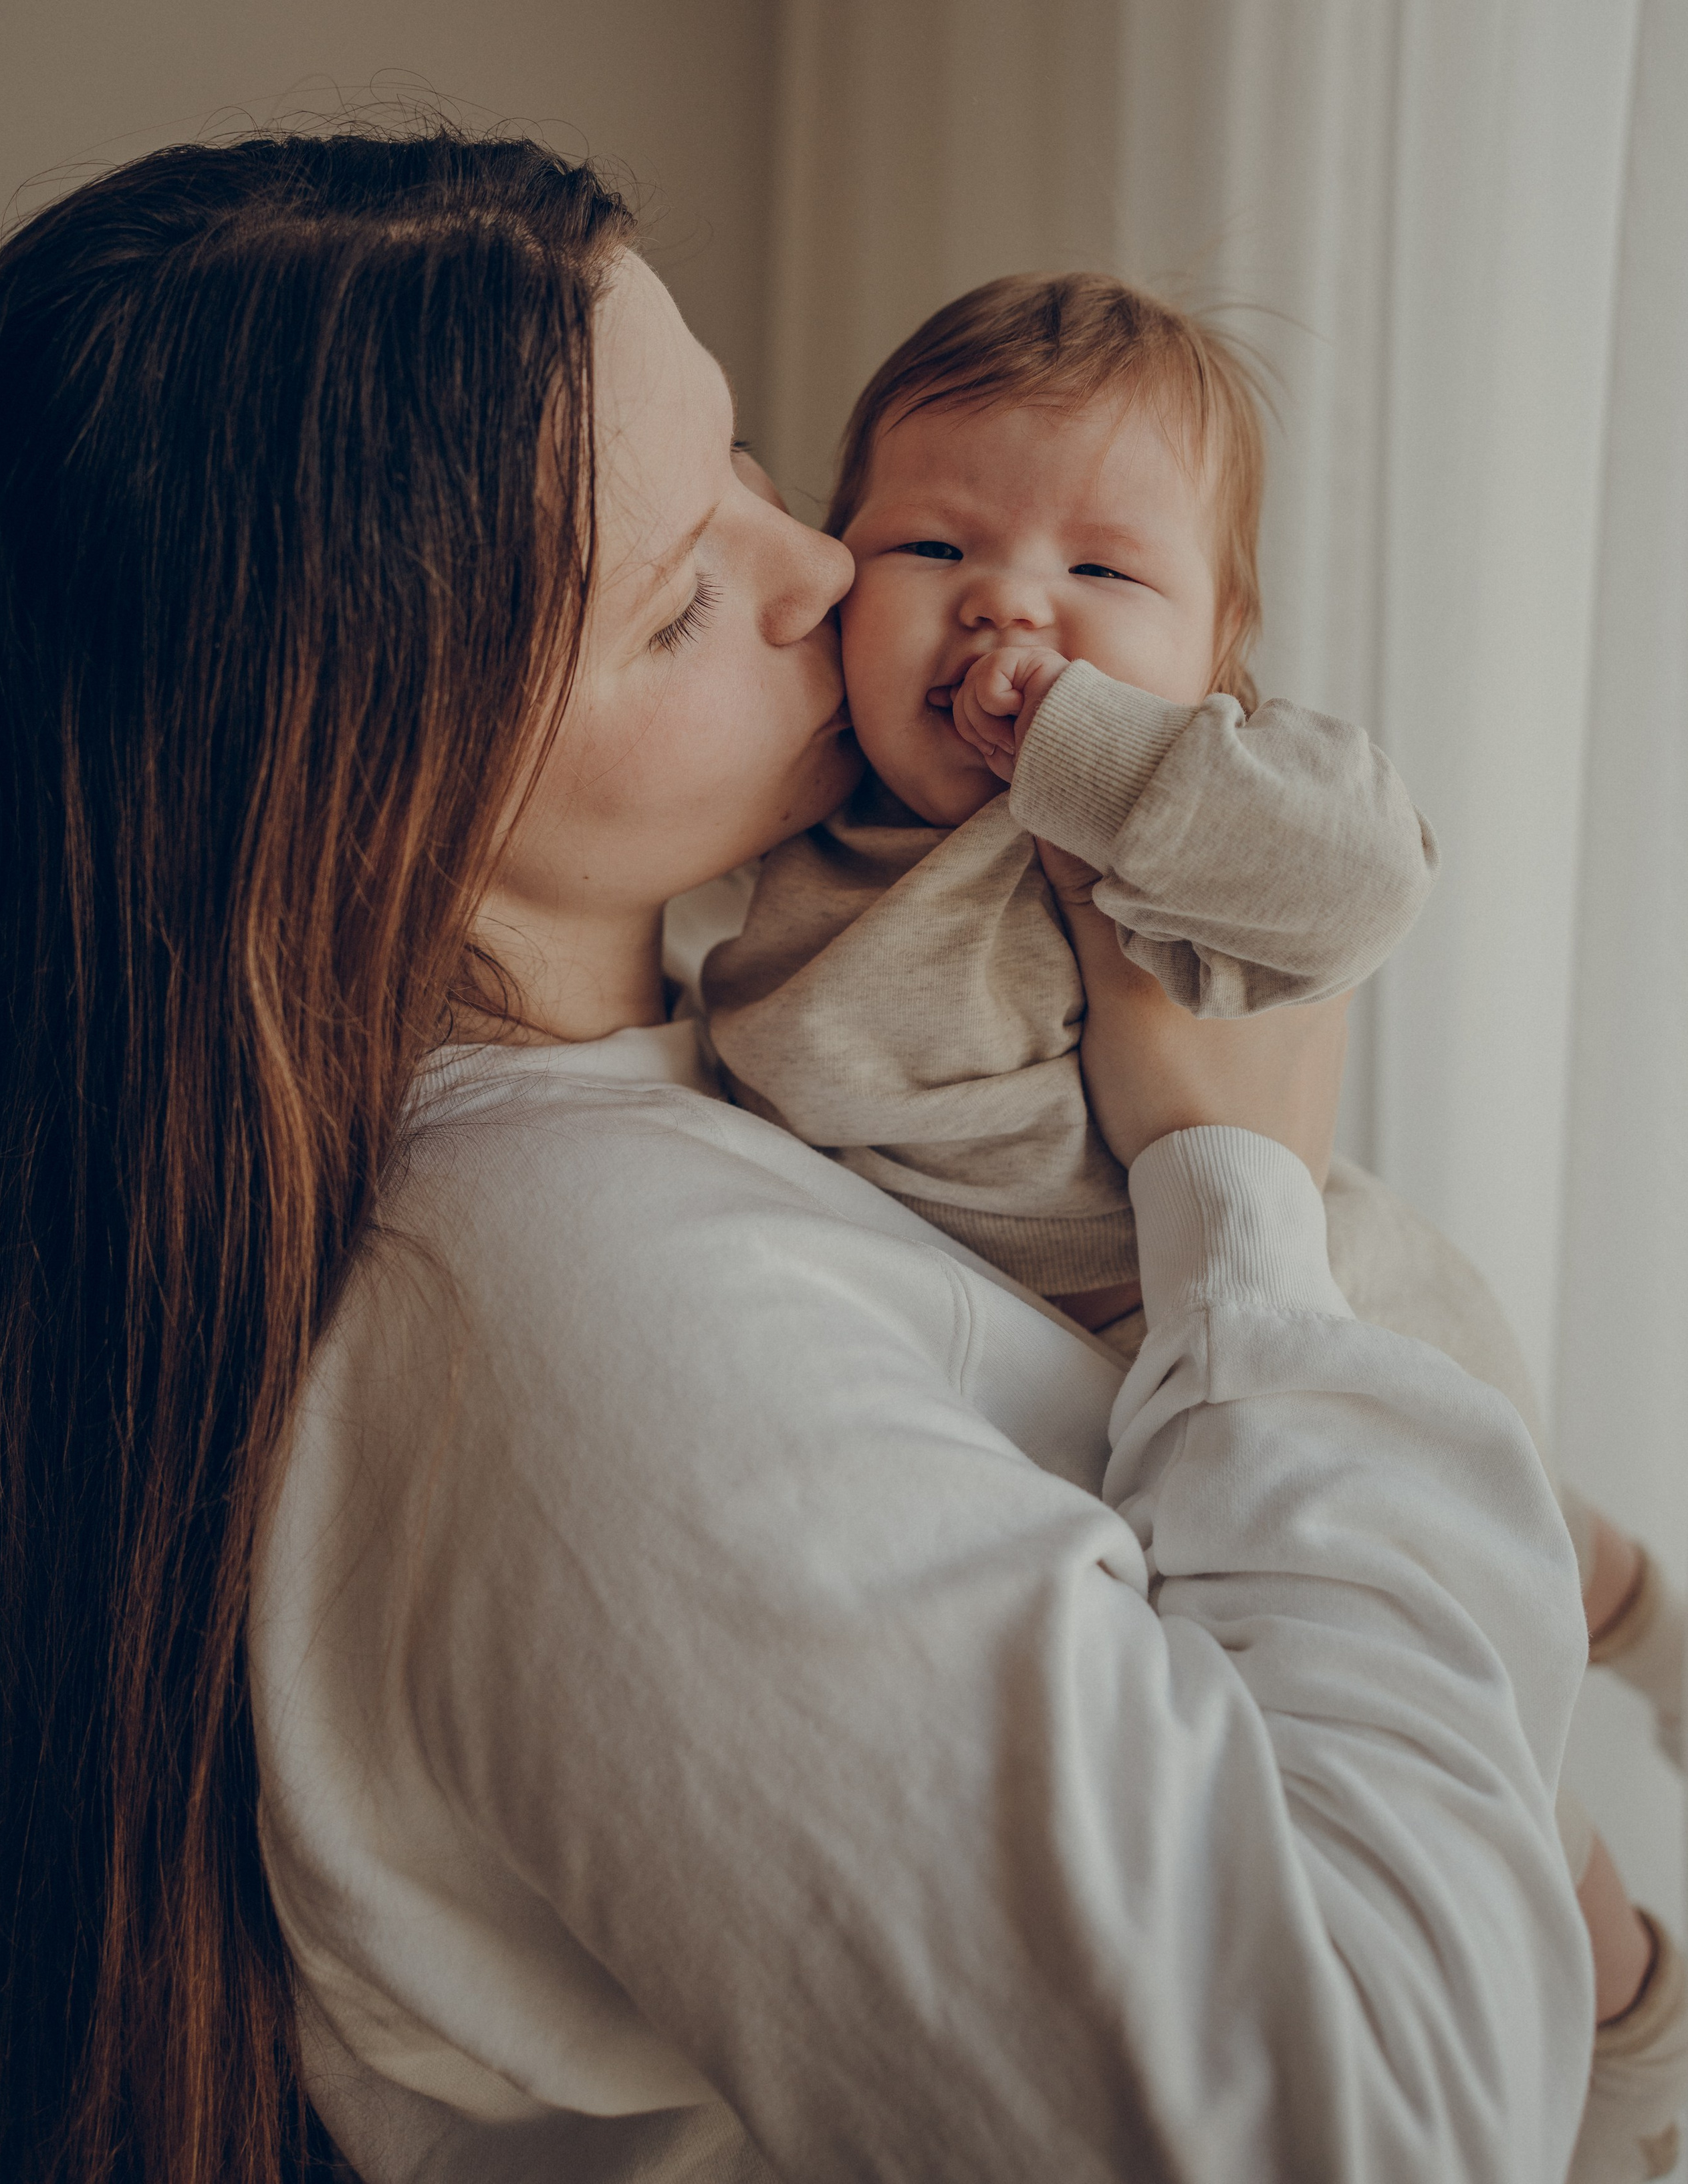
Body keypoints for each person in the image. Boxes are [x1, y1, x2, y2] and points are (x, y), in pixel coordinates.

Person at [0, 132, 1592, 2184]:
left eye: (747, 458)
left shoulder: (705, 1093)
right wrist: (1235, 1181)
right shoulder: (569, 1320)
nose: (828, 568)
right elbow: (1378, 2139)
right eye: (681, 603)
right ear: (378, 792)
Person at [698, 271, 1688, 2179]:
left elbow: (1366, 874)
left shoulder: (1166, 820)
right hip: (1113, 1400)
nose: (1013, 605)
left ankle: (1628, 1992)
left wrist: (1090, 745)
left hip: (1323, 1328)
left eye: (1105, 574)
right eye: (936, 543)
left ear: (1222, 650)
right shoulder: (797, 837)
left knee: (1496, 1728)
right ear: (837, 575)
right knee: (1452, 1710)